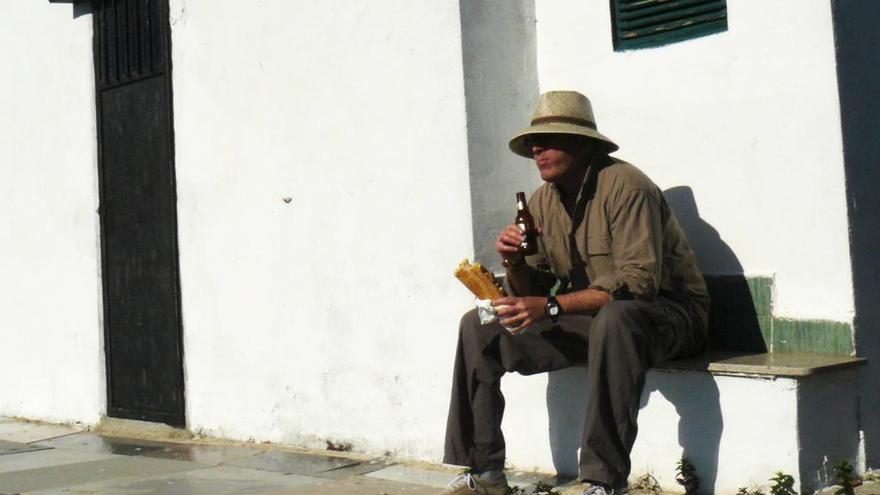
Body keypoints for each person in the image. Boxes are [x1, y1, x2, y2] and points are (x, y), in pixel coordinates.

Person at [441, 91, 710, 495]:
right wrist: (513, 262)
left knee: (618, 316)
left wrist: (550, 305)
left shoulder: (626, 187)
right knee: (479, 326)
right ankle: (485, 472)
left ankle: (603, 480)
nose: (537, 149)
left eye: (549, 139)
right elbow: (529, 292)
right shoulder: (542, 201)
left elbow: (638, 285)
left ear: (582, 143)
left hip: (669, 317)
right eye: (534, 143)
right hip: (593, 320)